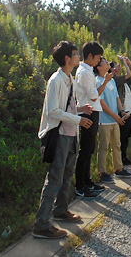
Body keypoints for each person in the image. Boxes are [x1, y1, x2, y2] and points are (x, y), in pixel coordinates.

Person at [33, 41, 93, 239]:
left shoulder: (69, 79)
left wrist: (80, 110)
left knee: (67, 175)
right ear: (67, 58)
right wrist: (78, 118)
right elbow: (53, 111)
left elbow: (66, 106)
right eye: (75, 54)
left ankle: (61, 210)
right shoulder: (56, 80)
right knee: (55, 178)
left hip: (70, 133)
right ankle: (41, 224)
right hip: (59, 135)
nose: (78, 57)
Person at [74, 41, 113, 199]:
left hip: (92, 111)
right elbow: (94, 95)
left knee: (89, 149)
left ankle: (87, 181)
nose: (99, 60)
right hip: (87, 112)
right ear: (90, 56)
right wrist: (105, 82)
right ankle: (80, 185)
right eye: (97, 57)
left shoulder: (87, 70)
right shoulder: (84, 72)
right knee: (85, 150)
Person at [95, 57, 131, 184]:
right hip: (104, 120)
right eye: (105, 62)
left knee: (117, 145)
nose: (108, 63)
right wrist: (115, 116)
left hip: (114, 120)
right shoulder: (98, 82)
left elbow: (117, 98)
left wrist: (121, 111)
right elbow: (101, 103)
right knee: (104, 147)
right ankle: (102, 172)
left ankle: (119, 168)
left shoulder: (111, 80)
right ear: (99, 67)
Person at [111, 56, 131, 165]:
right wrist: (124, 62)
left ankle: (124, 158)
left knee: (126, 136)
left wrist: (129, 61)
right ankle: (120, 160)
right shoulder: (115, 80)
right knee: (122, 137)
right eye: (117, 65)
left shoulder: (125, 80)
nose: (119, 65)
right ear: (113, 69)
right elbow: (129, 74)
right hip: (124, 112)